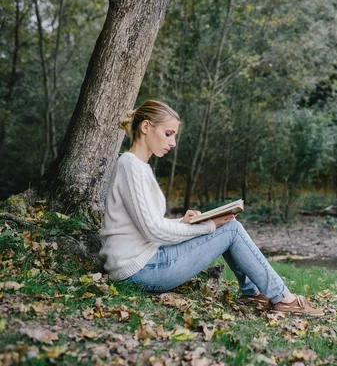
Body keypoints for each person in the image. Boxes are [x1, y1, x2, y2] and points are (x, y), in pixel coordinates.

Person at [99, 99, 323, 316]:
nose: (173, 143)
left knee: (229, 225)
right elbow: (152, 230)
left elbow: (145, 224)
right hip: (139, 270)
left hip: (144, 262)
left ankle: (252, 293)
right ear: (146, 127)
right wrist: (207, 226)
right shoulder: (130, 166)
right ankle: (284, 300)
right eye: (168, 134)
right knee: (231, 229)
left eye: (174, 135)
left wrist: (183, 222)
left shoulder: (138, 167)